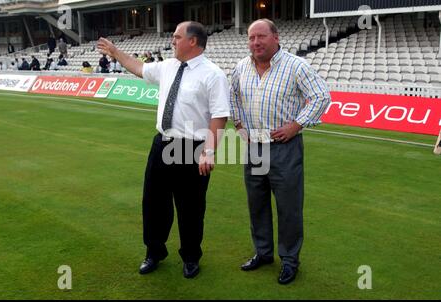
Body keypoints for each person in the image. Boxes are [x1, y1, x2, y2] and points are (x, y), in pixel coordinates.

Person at [97, 21, 230, 279]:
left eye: (177, 37)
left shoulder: (213, 75)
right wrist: (116, 52)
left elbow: (219, 116)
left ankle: (191, 257)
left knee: (190, 208)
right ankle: (154, 252)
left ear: (192, 41)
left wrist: (209, 152)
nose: (172, 41)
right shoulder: (168, 66)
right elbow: (138, 67)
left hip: (192, 148)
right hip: (162, 143)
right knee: (153, 203)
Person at [230, 19, 331, 285]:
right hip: (254, 148)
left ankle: (289, 261)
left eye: (261, 36)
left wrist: (296, 125)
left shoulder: (295, 66)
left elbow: (322, 96)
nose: (256, 43)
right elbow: (234, 97)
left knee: (289, 209)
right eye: (251, 38)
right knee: (257, 204)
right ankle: (263, 253)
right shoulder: (242, 66)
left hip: (284, 148)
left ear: (275, 37)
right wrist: (239, 125)